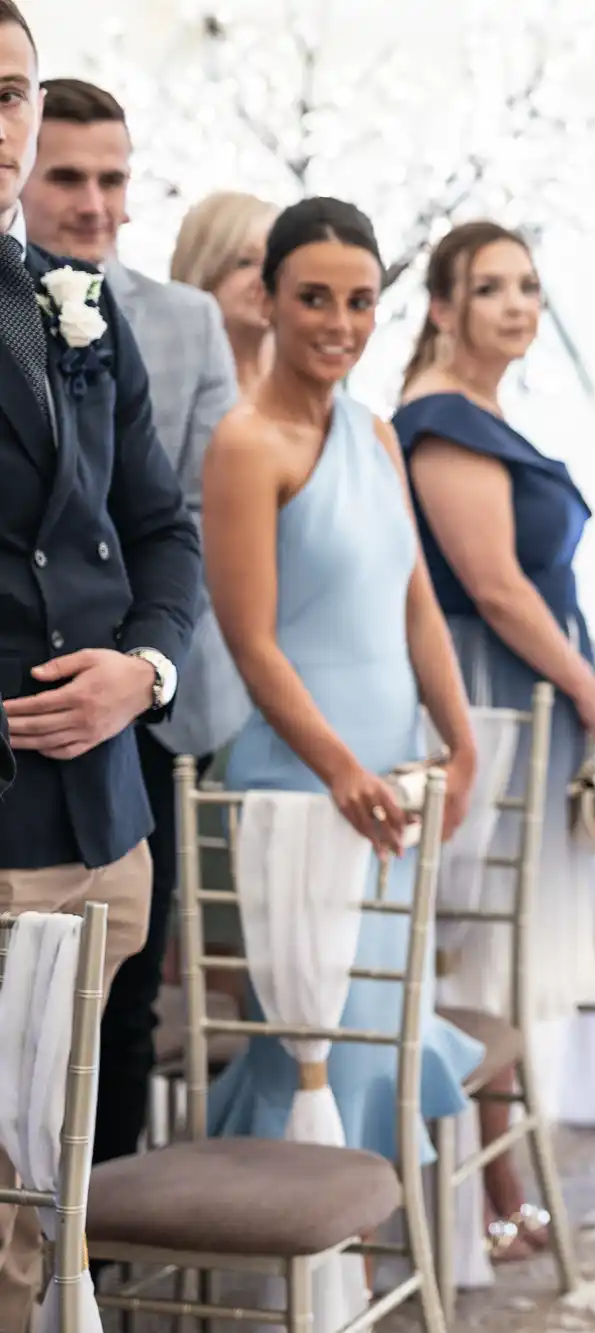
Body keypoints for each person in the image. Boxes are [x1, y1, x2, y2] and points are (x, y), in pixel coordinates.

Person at [200, 195, 487, 1163]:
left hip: (392, 776)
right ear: (269, 299)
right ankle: (294, 1276)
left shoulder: (375, 434)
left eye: (360, 302)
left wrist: (462, 738)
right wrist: (337, 769)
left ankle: (353, 1268)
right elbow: (250, 642)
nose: (339, 323)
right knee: (311, 1040)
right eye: (314, 297)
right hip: (299, 781)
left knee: (385, 1032)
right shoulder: (243, 444)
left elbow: (414, 603)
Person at [0, 6, 203, 1326]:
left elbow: (159, 528)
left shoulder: (68, 304)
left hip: (104, 827)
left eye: (10, 91)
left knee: (47, 1201)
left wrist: (147, 671)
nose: (0, 123)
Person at [20, 74, 246, 1168]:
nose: (95, 202)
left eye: (114, 178)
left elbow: (179, 511)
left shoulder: (165, 317)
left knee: (115, 1017)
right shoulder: (40, 296)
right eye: (68, 175)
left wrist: (144, 662)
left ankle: (89, 1252)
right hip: (30, 721)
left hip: (137, 717)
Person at [393, 220, 595, 1258]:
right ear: (442, 306)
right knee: (481, 942)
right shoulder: (442, 419)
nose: (518, 304)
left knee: (505, 940)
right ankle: (488, 1201)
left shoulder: (482, 411)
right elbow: (490, 585)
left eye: (528, 285)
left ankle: (501, 1191)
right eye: (491, 287)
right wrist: (584, 683)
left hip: (526, 695)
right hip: (486, 695)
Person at [170, 190, 277, 398]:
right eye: (245, 263)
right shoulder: (168, 381)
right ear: (202, 270)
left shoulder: (309, 375)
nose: (266, 278)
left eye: (274, 262)